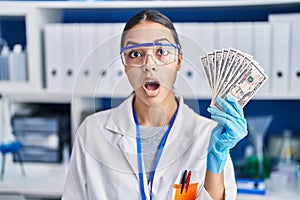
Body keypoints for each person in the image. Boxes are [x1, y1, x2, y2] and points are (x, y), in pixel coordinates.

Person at [62, 9, 247, 200]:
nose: (149, 65)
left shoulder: (209, 137)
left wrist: (215, 163)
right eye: (135, 54)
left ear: (179, 60)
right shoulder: (92, 131)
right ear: (124, 64)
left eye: (162, 52)